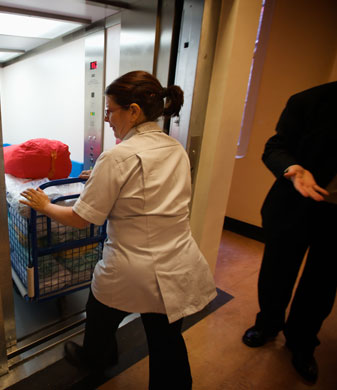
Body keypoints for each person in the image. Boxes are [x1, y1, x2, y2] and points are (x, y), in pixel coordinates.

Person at [20, 71, 216, 389]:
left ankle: (97, 360)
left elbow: (81, 219)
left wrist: (44, 205)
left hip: (133, 266)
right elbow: (147, 191)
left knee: (99, 312)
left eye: (110, 110)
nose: (107, 118)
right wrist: (98, 180)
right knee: (167, 343)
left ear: (134, 111)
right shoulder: (175, 148)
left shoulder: (117, 157)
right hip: (178, 262)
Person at [242, 81, 337, 384]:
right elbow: (275, 147)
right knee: (276, 273)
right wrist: (293, 167)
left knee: (322, 285)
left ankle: (302, 343)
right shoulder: (310, 100)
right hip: (294, 205)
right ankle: (268, 325)